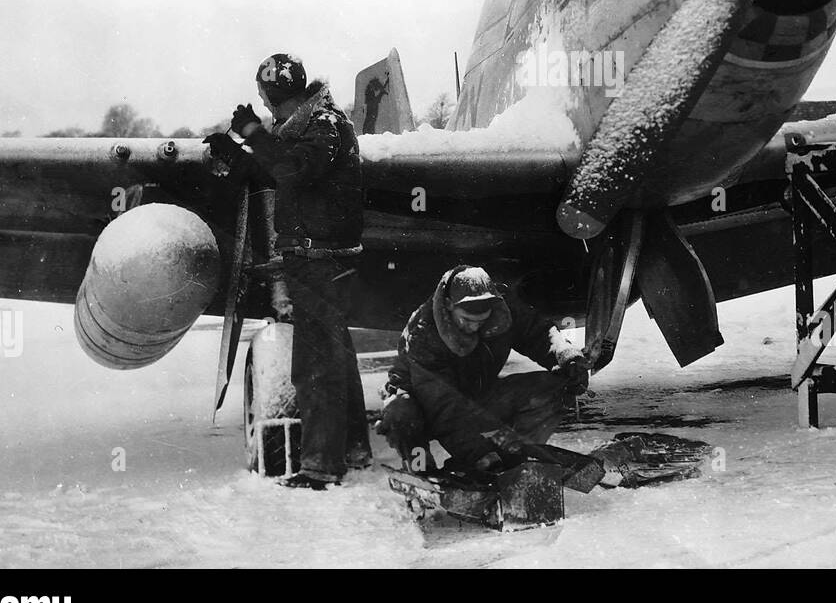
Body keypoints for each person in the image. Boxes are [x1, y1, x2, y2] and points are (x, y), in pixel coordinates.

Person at [207, 53, 371, 490]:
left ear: (283, 98)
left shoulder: (327, 125)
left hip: (323, 260)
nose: (271, 114)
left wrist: (253, 133)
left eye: (271, 106)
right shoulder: (310, 125)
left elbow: (293, 169)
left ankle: (320, 467)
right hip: (316, 258)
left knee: (315, 366)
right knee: (333, 354)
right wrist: (237, 151)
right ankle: (353, 448)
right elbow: (276, 165)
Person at [377, 265, 591, 475]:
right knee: (402, 416)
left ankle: (514, 461)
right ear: (449, 305)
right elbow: (444, 406)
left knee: (553, 389)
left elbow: (538, 333)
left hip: (474, 397)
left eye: (481, 321)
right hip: (424, 404)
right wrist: (479, 453)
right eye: (466, 320)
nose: (473, 328)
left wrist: (565, 356)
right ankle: (421, 472)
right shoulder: (423, 333)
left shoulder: (503, 308)